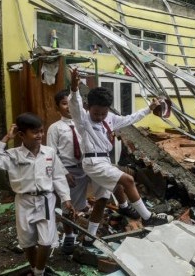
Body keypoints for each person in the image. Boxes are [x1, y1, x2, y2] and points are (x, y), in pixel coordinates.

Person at [68, 69, 173, 246]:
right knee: (128, 179)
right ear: (89, 107)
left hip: (104, 160)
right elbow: (75, 104)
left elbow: (129, 119)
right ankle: (147, 217)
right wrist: (74, 87)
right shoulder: (83, 120)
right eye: (96, 113)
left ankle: (89, 237)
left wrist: (148, 109)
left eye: (103, 113)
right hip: (93, 162)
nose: (100, 117)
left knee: (101, 201)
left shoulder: (109, 118)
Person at [47, 90, 141, 254]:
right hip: (72, 170)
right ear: (57, 108)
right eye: (64, 104)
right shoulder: (55, 128)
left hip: (93, 165)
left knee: (103, 197)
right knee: (69, 205)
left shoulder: (86, 121)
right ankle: (69, 236)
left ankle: (90, 235)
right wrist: (63, 172)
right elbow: (51, 153)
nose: (68, 107)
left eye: (70, 103)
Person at [0, 113, 75, 276]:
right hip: (24, 201)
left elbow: (58, 177)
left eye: (41, 131)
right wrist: (6, 138)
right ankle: (36, 270)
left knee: (46, 241)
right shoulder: (12, 155)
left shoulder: (49, 153)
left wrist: (66, 199)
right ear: (21, 134)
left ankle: (39, 273)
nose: (40, 135)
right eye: (35, 132)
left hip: (46, 200)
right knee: (27, 242)